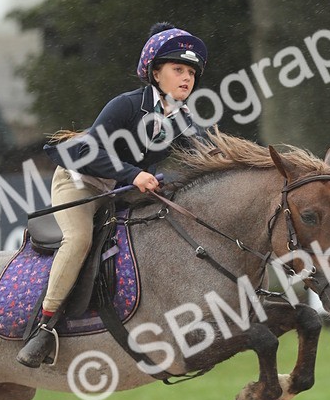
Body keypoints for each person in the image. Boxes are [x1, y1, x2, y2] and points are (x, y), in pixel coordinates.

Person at [16, 21, 209, 368]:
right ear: (154, 73)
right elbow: (89, 153)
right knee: (79, 240)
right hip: (80, 181)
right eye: (178, 69)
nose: (187, 78)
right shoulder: (126, 105)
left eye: (192, 73)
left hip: (120, 190)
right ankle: (43, 326)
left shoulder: (181, 119)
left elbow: (208, 154)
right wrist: (135, 174)